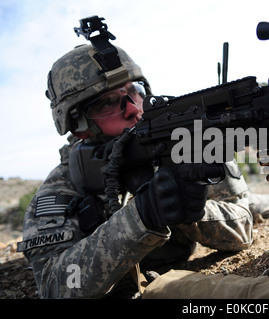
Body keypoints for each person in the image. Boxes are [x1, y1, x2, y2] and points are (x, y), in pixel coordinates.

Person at [18, 43, 256, 298]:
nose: (133, 108)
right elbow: (55, 285)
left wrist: (190, 209)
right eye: (107, 103)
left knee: (265, 205)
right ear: (78, 125)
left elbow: (243, 232)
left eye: (136, 91)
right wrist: (141, 217)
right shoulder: (62, 190)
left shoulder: (182, 136)